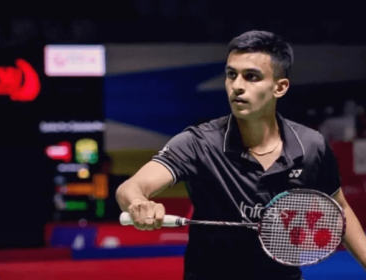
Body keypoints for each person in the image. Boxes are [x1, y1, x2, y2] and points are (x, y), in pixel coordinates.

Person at [116, 31, 366, 280]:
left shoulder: (311, 146)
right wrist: (139, 202)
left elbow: (338, 209)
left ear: (279, 87)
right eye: (231, 75)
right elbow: (132, 186)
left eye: (251, 77)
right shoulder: (197, 143)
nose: (236, 86)